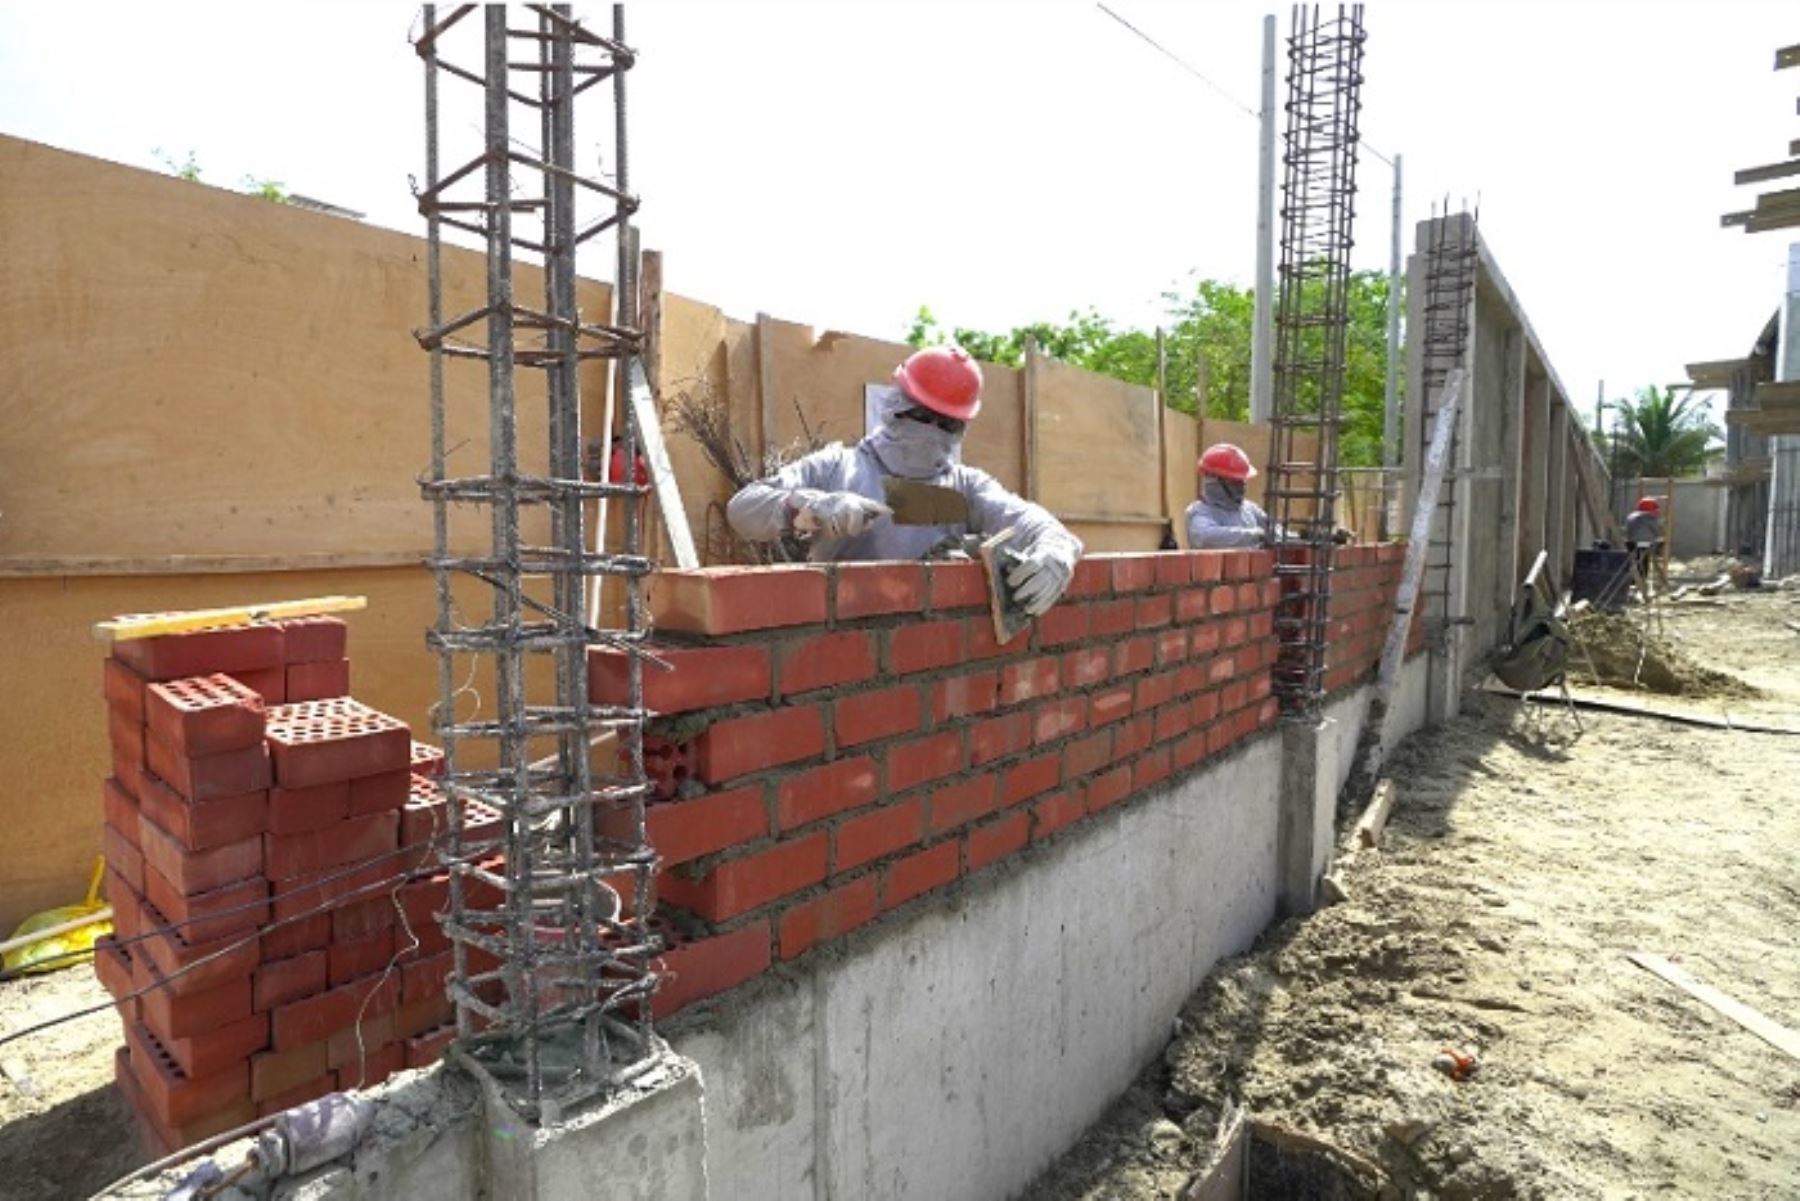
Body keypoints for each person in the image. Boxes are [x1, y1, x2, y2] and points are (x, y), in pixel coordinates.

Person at [726, 346, 1083, 616]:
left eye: (946, 423)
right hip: (837, 639)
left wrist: (1057, 550)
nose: (931, 430)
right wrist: (809, 507)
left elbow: (1031, 522)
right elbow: (742, 509)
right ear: (896, 403)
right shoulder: (840, 467)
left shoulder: (964, 488)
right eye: (922, 415)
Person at [1185, 443, 1279, 549]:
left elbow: (1273, 529)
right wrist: (1256, 535)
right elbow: (1205, 538)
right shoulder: (1200, 512)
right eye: (1235, 481)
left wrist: (1288, 537)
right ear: (1214, 481)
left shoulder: (1249, 509)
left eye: (1243, 480)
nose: (1242, 486)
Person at [1624, 497, 1662, 590]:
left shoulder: (1631, 516)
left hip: (1631, 544)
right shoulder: (1648, 517)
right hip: (1645, 544)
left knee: (1634, 562)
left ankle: (1633, 582)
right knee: (1644, 562)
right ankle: (1641, 581)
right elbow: (1656, 532)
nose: (1657, 512)